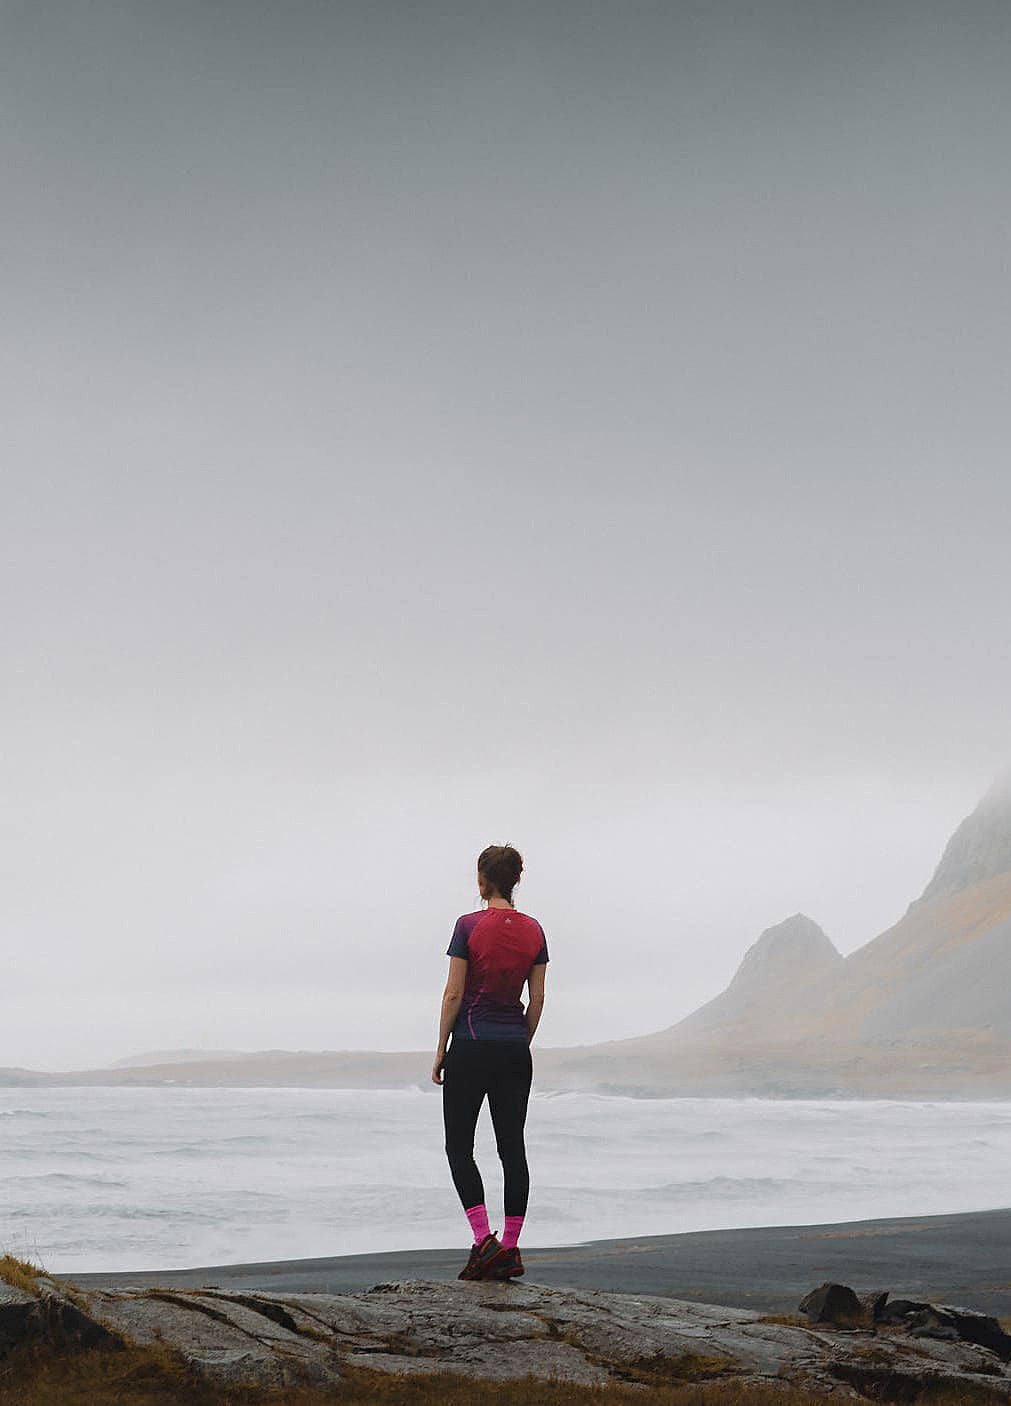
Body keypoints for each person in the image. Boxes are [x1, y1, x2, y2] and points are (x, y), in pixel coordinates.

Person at [431, 843, 548, 1281]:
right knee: (511, 1148)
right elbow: (536, 999)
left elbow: (453, 994)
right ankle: (512, 1249)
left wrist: (442, 1047)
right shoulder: (535, 931)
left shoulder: (467, 925)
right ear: (515, 880)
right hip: (515, 1051)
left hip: (472, 1046)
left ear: (482, 881)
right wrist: (521, 1040)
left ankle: (484, 1242)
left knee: (460, 1148)